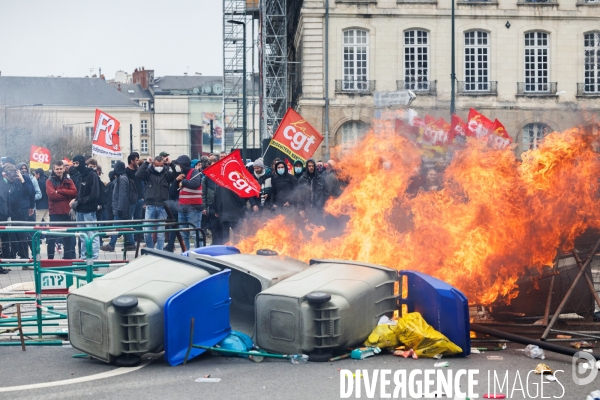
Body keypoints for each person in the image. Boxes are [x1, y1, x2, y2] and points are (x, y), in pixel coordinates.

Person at [136, 156, 175, 250]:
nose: (159, 167)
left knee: (160, 233)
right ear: (153, 164)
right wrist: (146, 163)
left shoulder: (167, 173)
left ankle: (159, 252)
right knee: (147, 231)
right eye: (157, 165)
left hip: (163, 206)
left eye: (161, 165)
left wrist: (171, 163)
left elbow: (177, 173)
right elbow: (138, 174)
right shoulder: (148, 173)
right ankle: (150, 250)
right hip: (150, 205)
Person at [70, 155, 100, 260]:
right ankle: (84, 258)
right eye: (73, 163)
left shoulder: (92, 175)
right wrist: (75, 202)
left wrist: (79, 201)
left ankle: (94, 259)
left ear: (82, 162)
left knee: (92, 235)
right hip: (80, 210)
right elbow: (79, 192)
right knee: (83, 236)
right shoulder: (80, 175)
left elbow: (94, 194)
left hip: (89, 210)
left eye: (77, 163)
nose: (75, 166)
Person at [46, 161, 77, 259]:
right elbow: (52, 195)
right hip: (55, 213)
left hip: (67, 213)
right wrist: (67, 195)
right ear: (54, 169)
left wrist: (59, 191)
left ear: (64, 168)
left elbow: (75, 193)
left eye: (60, 169)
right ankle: (50, 259)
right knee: (52, 237)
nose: (59, 171)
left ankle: (67, 258)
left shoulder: (69, 180)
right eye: (57, 169)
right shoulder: (49, 181)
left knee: (68, 238)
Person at [5, 163, 35, 264]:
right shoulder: (5, 183)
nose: (12, 177)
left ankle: (26, 258)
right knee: (13, 235)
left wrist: (22, 180)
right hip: (9, 212)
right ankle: (15, 256)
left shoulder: (20, 180)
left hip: (21, 211)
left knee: (24, 235)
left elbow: (28, 192)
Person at [102, 162, 136, 252]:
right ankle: (132, 244)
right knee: (126, 226)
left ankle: (111, 245)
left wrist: (120, 208)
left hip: (119, 208)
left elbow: (122, 195)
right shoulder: (124, 177)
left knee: (116, 226)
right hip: (122, 207)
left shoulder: (122, 178)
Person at [174, 155, 203, 250]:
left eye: (179, 164)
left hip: (193, 208)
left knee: (195, 233)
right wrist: (176, 181)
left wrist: (184, 182)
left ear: (183, 165)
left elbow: (195, 184)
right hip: (182, 208)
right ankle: (185, 254)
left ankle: (199, 255)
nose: (178, 166)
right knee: (183, 234)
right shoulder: (181, 174)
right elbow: (174, 190)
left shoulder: (194, 172)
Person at [125, 153, 144, 222]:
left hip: (139, 199)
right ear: (131, 161)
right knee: (130, 220)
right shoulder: (126, 172)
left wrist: (142, 197)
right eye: (136, 160)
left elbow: (142, 184)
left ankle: (137, 233)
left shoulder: (138, 171)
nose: (138, 162)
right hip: (131, 200)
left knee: (138, 220)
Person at [0, 160, 11, 273]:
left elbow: (7, 198)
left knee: (3, 240)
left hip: (3, 214)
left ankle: (1, 265)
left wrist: (8, 214)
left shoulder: (3, 181)